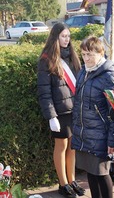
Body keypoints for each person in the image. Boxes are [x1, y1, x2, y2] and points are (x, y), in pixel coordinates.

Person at [37, 22, 85, 198]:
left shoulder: (72, 56)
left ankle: (71, 180)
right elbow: (44, 91)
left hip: (74, 109)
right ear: (55, 37)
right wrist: (51, 116)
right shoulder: (46, 59)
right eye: (63, 36)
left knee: (72, 146)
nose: (67, 40)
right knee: (62, 145)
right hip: (59, 112)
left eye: (68, 36)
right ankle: (63, 183)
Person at [71, 36, 114, 198]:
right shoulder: (83, 72)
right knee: (90, 173)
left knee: (101, 173)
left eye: (90, 54)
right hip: (85, 133)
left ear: (100, 53)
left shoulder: (109, 75)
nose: (86, 58)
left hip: (101, 135)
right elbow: (78, 103)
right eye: (83, 54)